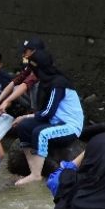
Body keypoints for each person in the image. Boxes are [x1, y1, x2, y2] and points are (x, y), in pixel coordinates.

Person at [12, 50, 83, 186]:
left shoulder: (58, 83)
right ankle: (33, 169)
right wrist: (25, 119)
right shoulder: (47, 82)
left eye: (33, 70)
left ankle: (36, 175)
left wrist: (25, 116)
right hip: (53, 122)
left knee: (41, 133)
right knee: (23, 127)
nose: (32, 73)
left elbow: (48, 112)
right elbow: (45, 113)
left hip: (69, 126)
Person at [0, 36, 42, 117]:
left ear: (34, 52)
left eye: (25, 52)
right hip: (35, 100)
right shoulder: (31, 65)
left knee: (33, 85)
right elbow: (15, 81)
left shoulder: (41, 66)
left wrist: (6, 101)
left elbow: (26, 84)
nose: (23, 55)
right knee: (15, 88)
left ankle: (34, 113)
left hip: (47, 106)